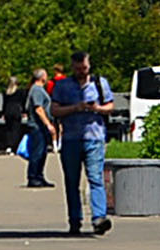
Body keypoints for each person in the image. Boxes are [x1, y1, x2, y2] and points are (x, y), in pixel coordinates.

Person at [49, 53, 115, 236]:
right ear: (72, 67)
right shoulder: (62, 86)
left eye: (84, 68)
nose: (81, 72)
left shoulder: (100, 83)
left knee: (95, 178)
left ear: (89, 66)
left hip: (95, 138)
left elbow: (110, 106)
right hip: (71, 139)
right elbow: (54, 110)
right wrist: (75, 108)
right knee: (72, 182)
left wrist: (96, 108)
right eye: (78, 69)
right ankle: (74, 220)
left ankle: (99, 218)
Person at [21, 67, 57, 186]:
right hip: (37, 126)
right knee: (37, 152)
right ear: (42, 77)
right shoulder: (37, 90)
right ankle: (33, 177)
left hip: (40, 126)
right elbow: (39, 109)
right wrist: (48, 124)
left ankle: (39, 176)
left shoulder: (39, 89)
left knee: (42, 153)